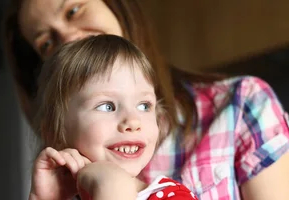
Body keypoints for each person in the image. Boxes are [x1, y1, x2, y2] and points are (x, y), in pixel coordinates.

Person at [2, 0, 289, 199]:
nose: (68, 38)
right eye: (46, 42)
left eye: (73, 11)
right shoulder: (64, 180)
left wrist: (120, 190)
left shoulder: (241, 102)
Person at [30, 34, 197, 200]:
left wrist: (112, 186)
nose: (133, 121)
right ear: (54, 134)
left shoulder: (173, 196)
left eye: (144, 106)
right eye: (107, 106)